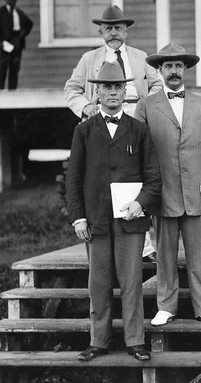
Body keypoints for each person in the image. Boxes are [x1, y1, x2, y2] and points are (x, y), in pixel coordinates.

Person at [65, 61, 162, 362]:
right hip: (96, 221)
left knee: (132, 282)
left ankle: (136, 341)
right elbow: (74, 178)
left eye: (117, 87)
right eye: (106, 87)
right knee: (99, 283)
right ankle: (99, 340)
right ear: (96, 92)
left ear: (125, 91)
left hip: (130, 221)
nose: (112, 92)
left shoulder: (139, 130)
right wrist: (79, 217)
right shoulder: (84, 130)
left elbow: (154, 177)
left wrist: (140, 203)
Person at [135, 43, 201, 326]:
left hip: (196, 190)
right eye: (168, 66)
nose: (174, 71)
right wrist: (143, 194)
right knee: (164, 254)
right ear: (159, 71)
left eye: (178, 66)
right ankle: (166, 306)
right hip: (162, 193)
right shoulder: (146, 106)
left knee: (198, 254)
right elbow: (139, 153)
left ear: (186, 70)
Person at [64, 4, 163, 261]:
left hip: (134, 121)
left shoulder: (141, 58)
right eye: (108, 28)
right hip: (101, 121)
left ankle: (145, 247)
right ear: (100, 31)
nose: (113, 33)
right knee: (105, 179)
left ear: (126, 31)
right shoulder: (89, 59)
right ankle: (108, 242)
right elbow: (71, 89)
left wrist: (143, 108)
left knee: (137, 178)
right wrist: (86, 108)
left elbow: (157, 86)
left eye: (118, 28)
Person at [0, 0, 33, 90]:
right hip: (5, 43)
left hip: (17, 42)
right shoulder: (0, 12)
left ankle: (12, 90)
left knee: (14, 67)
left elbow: (29, 24)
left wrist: (22, 34)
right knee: (3, 66)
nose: (12, 1)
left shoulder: (18, 12)